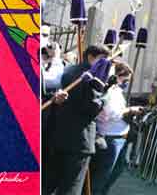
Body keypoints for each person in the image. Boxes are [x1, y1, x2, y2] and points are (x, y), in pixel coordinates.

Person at [43, 45, 109, 195]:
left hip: (58, 138)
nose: (105, 63)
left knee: (48, 185)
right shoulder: (91, 78)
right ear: (91, 57)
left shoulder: (69, 71)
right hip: (79, 142)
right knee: (71, 188)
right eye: (102, 59)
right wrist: (104, 99)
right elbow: (90, 108)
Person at [90, 61, 137, 195]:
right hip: (110, 138)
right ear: (118, 76)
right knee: (101, 177)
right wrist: (129, 111)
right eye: (125, 79)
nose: (126, 83)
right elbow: (108, 114)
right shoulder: (108, 89)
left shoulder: (117, 91)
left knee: (113, 174)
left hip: (120, 137)